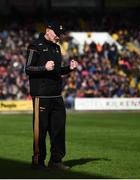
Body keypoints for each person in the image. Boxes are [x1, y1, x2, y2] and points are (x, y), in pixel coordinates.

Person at [25, 22, 78, 170]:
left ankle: (56, 161)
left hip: (56, 96)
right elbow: (27, 68)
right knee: (40, 131)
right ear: (48, 31)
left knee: (59, 131)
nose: (59, 36)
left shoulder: (57, 48)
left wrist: (69, 68)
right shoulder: (34, 46)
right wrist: (44, 67)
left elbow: (56, 71)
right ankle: (38, 162)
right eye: (56, 33)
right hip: (41, 96)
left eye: (60, 34)